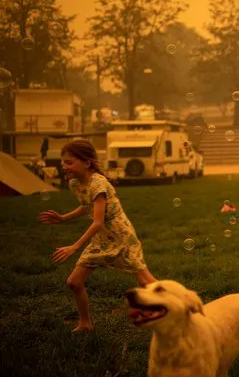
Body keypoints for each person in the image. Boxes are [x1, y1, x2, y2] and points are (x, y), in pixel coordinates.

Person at [37, 140, 156, 332]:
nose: (64, 167)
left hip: (121, 235)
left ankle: (180, 308)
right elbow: (87, 206)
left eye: (69, 162)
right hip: (102, 238)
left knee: (145, 281)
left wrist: (74, 247)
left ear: (87, 162)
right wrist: (63, 217)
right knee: (74, 282)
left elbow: (98, 222)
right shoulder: (75, 183)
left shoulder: (98, 183)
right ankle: (85, 323)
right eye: (64, 163)